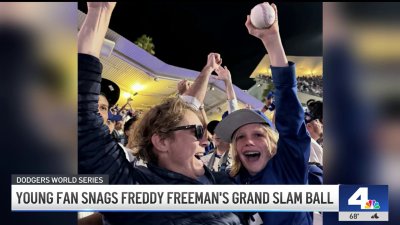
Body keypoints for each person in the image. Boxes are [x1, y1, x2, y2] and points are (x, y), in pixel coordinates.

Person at [78, 2, 245, 225]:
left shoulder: (226, 182)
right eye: (197, 132)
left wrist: (207, 70)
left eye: (204, 131)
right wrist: (100, 11)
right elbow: (82, 118)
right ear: (161, 141)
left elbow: (190, 106)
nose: (207, 141)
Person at [215, 3, 312, 225]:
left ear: (272, 142)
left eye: (258, 134)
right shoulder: (231, 182)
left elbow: (289, 109)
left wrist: (272, 40)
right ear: (235, 149)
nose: (248, 141)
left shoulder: (288, 167)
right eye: (240, 137)